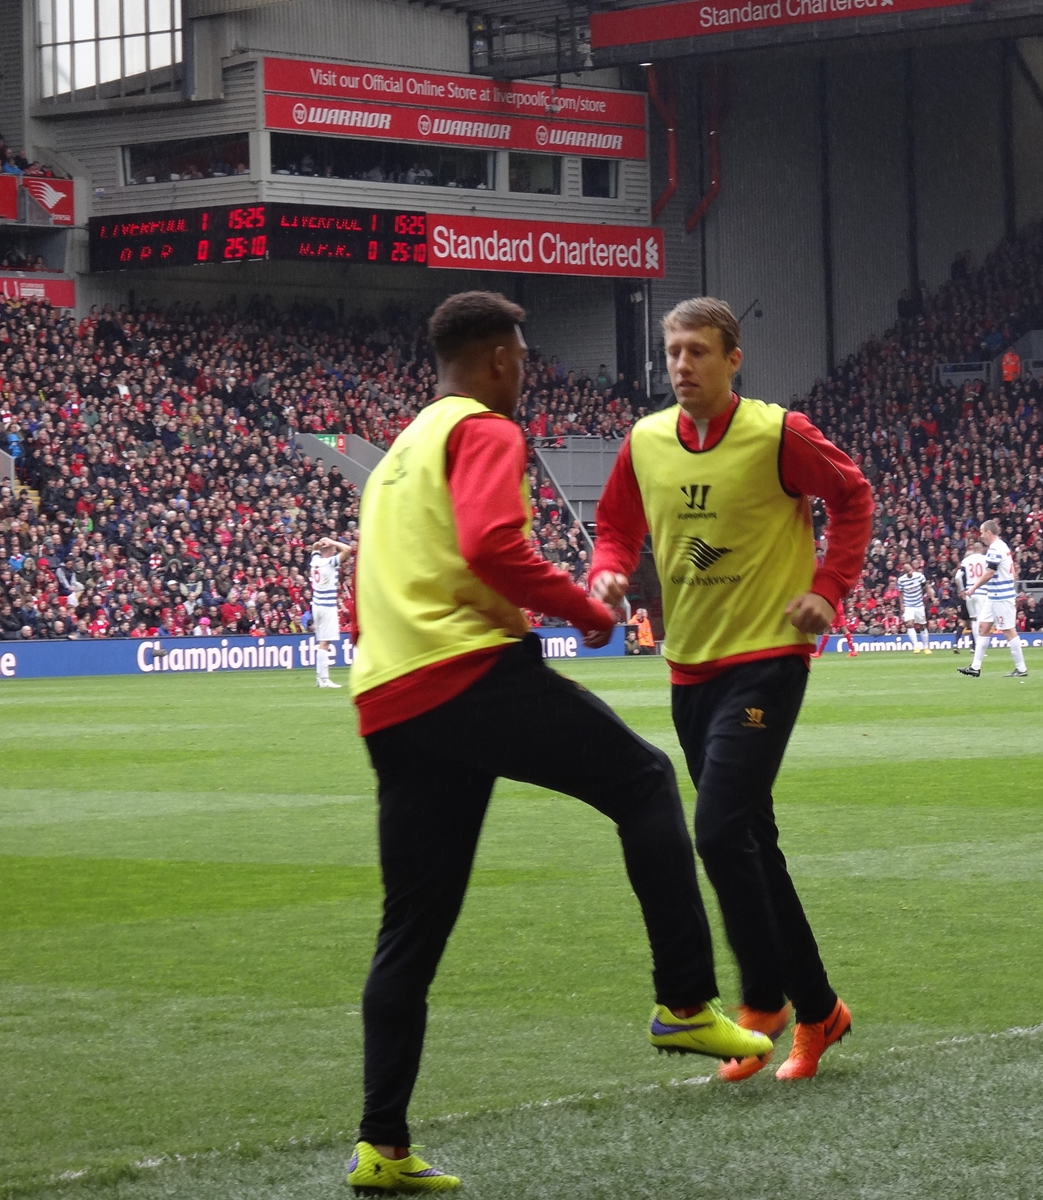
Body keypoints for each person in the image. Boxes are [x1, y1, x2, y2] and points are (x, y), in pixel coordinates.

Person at [344, 292, 772, 1193]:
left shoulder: (397, 458)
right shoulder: (487, 431)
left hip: (390, 701)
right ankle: (685, 1002)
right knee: (646, 781)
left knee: (411, 929)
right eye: (526, 357)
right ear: (500, 358)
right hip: (466, 673)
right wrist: (585, 611)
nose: (528, 371)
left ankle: (382, 1145)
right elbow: (496, 545)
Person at [590, 296, 874, 1083]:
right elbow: (614, 526)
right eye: (673, 352)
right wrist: (606, 572)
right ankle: (821, 1012)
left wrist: (830, 586)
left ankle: (764, 998)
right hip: (689, 669)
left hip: (768, 659)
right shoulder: (645, 441)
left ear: (733, 359)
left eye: (698, 352)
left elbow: (852, 496)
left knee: (717, 832)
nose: (682, 365)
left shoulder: (779, 434)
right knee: (754, 843)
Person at [958, 520, 1027, 678]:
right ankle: (975, 667)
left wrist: (973, 588)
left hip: (1001, 596)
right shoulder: (1001, 546)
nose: (980, 535)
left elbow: (990, 573)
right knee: (983, 627)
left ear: (989, 532)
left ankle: (1021, 668)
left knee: (1009, 630)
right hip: (994, 595)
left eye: (982, 532)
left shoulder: (995, 549)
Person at [310, 535, 353, 688]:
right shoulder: (329, 562)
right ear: (331, 549)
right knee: (325, 642)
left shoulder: (315, 561)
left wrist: (319, 543)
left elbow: (314, 549)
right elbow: (348, 549)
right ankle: (323, 679)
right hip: (327, 605)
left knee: (323, 641)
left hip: (316, 604)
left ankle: (320, 677)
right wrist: (332, 541)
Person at [953, 540, 989, 655]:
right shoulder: (985, 559)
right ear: (982, 549)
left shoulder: (966, 560)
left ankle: (976, 647)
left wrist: (962, 590)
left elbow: (958, 577)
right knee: (980, 619)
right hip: (982, 591)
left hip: (969, 592)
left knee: (973, 619)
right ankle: (979, 648)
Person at [898, 557, 934, 653]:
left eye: (910, 570)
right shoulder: (901, 580)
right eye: (907, 571)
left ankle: (926, 647)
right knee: (909, 624)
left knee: (922, 625)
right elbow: (900, 593)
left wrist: (932, 597)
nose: (909, 572)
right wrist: (902, 605)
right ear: (904, 572)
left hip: (919, 604)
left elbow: (926, 586)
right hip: (908, 605)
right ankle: (916, 646)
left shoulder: (919, 576)